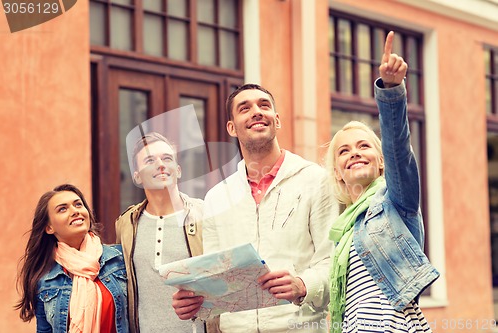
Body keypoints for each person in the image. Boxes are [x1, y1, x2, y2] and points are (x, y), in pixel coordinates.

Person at [172, 84, 338, 332]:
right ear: (232, 127)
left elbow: (333, 261)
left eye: (264, 105)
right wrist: (194, 303)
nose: (257, 112)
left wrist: (304, 284)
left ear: (277, 120)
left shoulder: (316, 180)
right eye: (244, 108)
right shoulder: (217, 197)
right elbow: (217, 278)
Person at [325, 31, 439, 333]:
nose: (354, 154)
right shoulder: (342, 229)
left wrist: (391, 90)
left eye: (364, 146)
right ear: (337, 171)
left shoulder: (396, 203)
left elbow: (398, 148)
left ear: (381, 162)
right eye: (344, 151)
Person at [115, 132, 205, 333]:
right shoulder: (126, 224)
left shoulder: (204, 215)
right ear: (137, 175)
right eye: (150, 160)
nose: (161, 164)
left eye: (167, 158)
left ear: (178, 170)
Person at [16, 184, 129, 333]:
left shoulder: (120, 259)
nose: (75, 211)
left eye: (78, 204)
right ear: (49, 228)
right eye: (62, 209)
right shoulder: (45, 280)